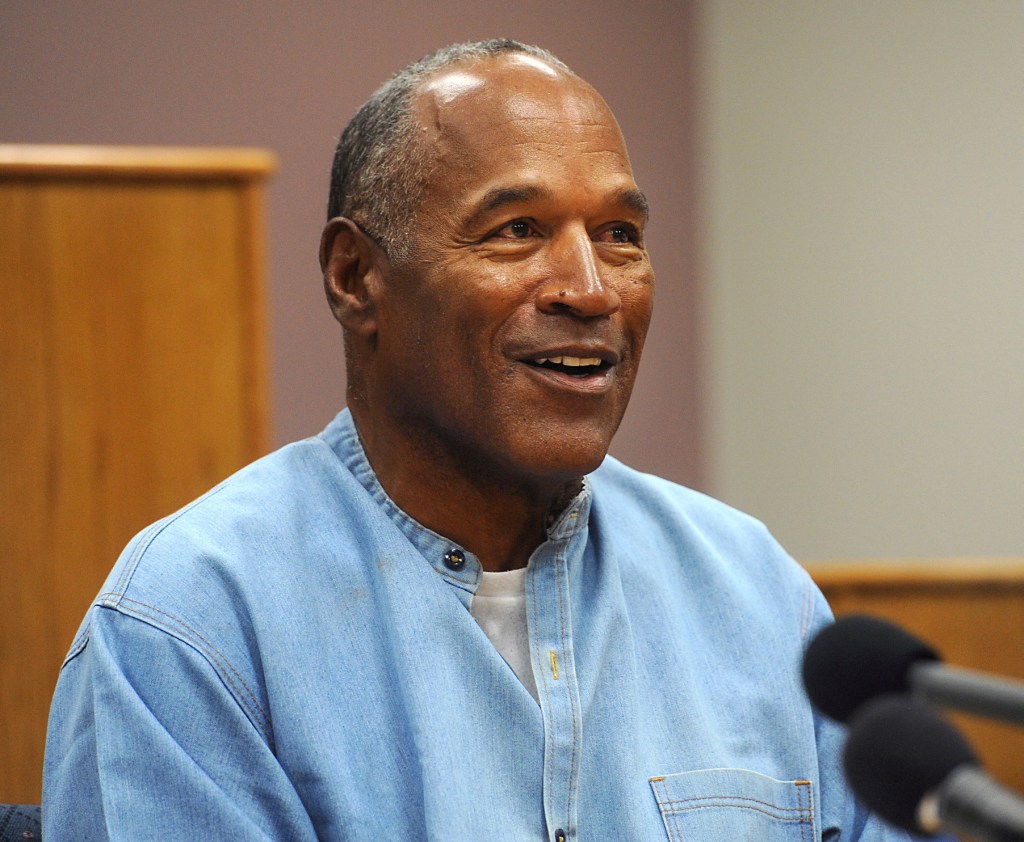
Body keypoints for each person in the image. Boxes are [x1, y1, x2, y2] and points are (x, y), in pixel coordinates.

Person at [43, 40, 909, 840]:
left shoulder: (755, 595)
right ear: (356, 278)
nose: (590, 288)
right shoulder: (192, 623)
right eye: (517, 231)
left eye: (620, 235)